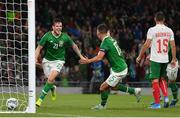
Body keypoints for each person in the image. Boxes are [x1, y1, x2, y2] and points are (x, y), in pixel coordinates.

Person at [79, 23, 141, 110]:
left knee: (102, 87)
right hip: (120, 66)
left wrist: (87, 61)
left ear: (98, 33)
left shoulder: (105, 42)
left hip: (119, 69)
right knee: (114, 86)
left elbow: (99, 57)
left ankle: (102, 105)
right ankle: (134, 91)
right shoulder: (111, 39)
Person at [35, 18, 85, 107]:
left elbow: (74, 46)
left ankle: (40, 99)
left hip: (59, 61)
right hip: (47, 60)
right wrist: (35, 59)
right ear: (53, 27)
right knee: (50, 80)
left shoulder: (65, 37)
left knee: (50, 79)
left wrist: (81, 56)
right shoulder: (47, 36)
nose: (59, 28)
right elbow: (39, 48)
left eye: (60, 26)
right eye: (57, 26)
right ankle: (52, 88)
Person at [136, 12, 176, 109]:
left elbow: (146, 44)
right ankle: (166, 98)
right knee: (162, 79)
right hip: (165, 58)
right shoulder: (169, 31)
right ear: (164, 20)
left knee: (154, 80)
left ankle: (157, 103)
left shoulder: (152, 30)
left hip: (155, 59)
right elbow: (173, 45)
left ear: (155, 19)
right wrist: (174, 58)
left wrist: (139, 56)